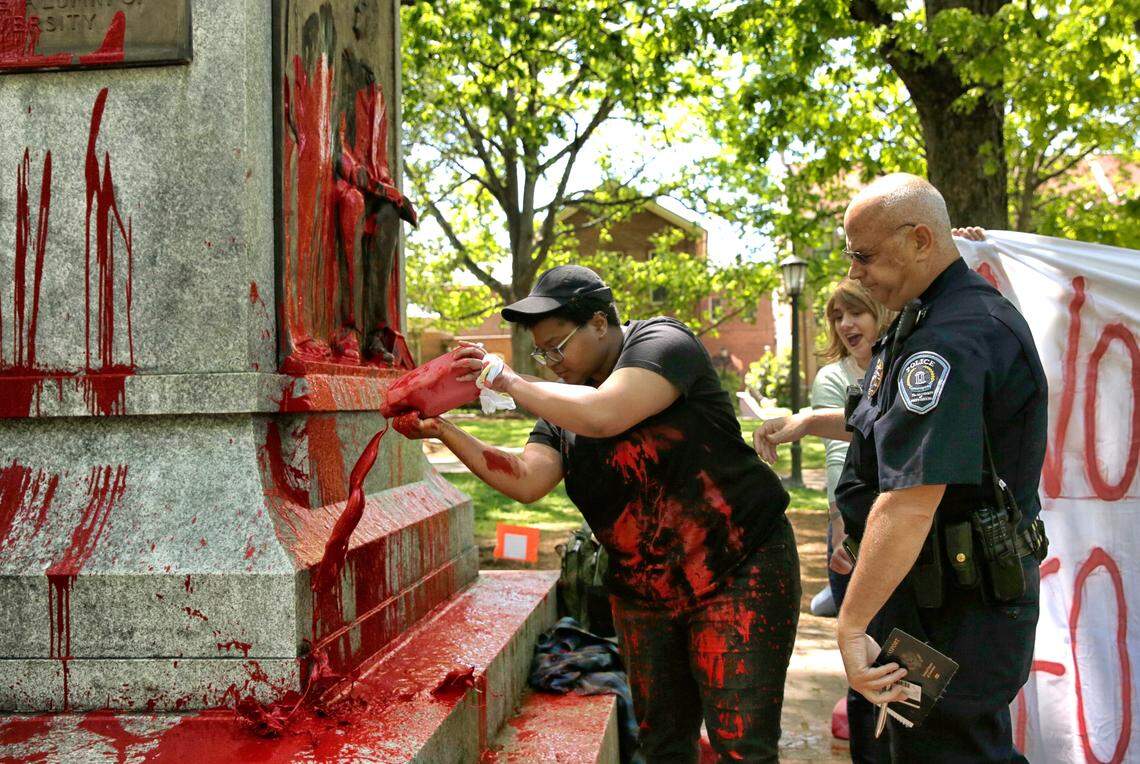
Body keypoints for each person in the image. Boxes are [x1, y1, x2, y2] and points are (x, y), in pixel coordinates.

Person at [400, 265, 800, 762]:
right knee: (661, 746)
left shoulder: (661, 344)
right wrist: (444, 431)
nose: (549, 363)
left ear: (598, 322)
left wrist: (506, 379)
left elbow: (605, 413)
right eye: (540, 352)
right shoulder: (560, 408)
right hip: (645, 592)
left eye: (556, 347)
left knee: (741, 745)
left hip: (738, 571)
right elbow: (527, 479)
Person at [755, 175, 1048, 762]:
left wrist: (850, 624)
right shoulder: (922, 321)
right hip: (928, 597)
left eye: (864, 255)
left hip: (957, 608)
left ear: (919, 240)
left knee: (954, 751)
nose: (856, 272)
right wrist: (811, 423)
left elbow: (911, 499)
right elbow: (883, 430)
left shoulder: (952, 339)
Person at [808, 280, 894, 763]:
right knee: (863, 656)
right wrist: (847, 532)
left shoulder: (906, 359)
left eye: (855, 312)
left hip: (906, 528)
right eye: (837, 316)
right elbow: (842, 457)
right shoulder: (834, 377)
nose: (845, 324)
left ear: (880, 310)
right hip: (854, 528)